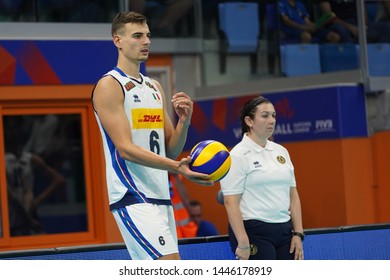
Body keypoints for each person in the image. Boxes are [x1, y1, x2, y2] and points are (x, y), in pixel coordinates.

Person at [91, 11, 212, 260]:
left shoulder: (154, 87)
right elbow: (125, 149)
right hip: (133, 196)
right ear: (118, 41)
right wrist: (178, 168)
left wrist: (184, 121)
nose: (146, 41)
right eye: (137, 36)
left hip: (161, 196)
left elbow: (170, 149)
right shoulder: (110, 85)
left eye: (148, 35)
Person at [219, 96, 304, 260]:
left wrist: (298, 233)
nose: (271, 120)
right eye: (265, 116)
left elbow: (293, 196)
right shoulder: (237, 155)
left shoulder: (282, 152)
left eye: (273, 115)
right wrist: (243, 242)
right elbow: (230, 202)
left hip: (284, 230)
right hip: (254, 231)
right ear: (249, 121)